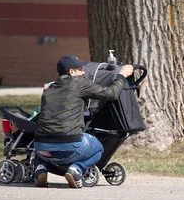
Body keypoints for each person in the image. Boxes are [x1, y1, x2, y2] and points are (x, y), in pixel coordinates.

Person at [33, 54, 134, 188]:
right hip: (68, 147)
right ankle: (76, 169)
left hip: (40, 148)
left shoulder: (48, 89)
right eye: (80, 69)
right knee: (99, 149)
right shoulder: (79, 83)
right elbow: (111, 94)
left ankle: (41, 166)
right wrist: (121, 75)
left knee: (49, 139)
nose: (84, 72)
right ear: (72, 72)